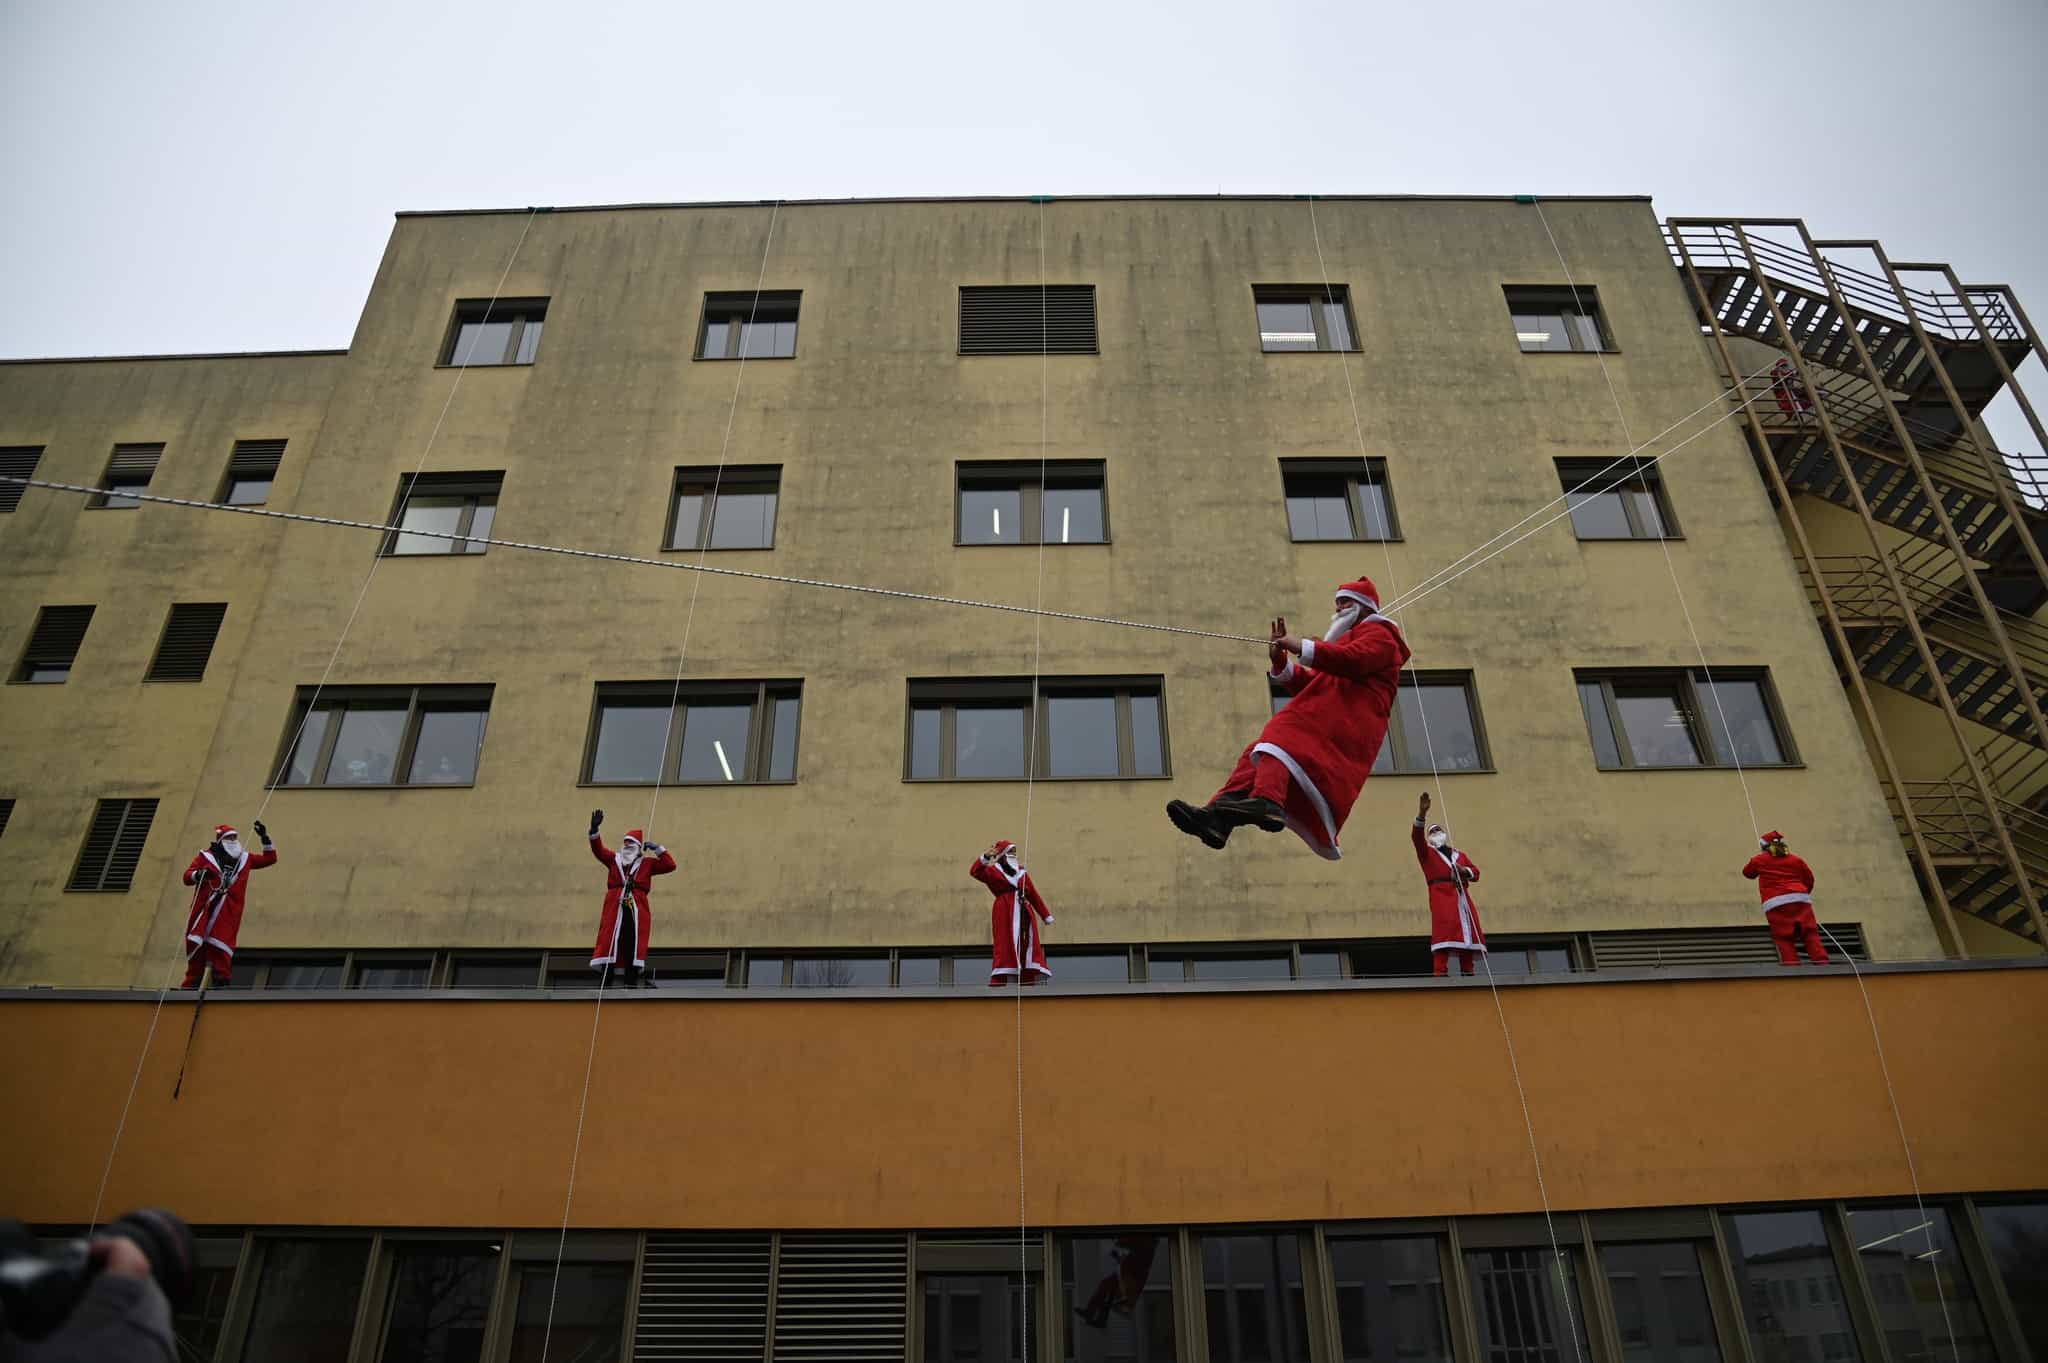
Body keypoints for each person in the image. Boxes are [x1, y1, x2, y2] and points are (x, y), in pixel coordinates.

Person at [1166, 576, 1410, 858]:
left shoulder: (1382, 637)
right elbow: (1313, 685)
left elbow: (1351, 660)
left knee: (1281, 735)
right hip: (1327, 718)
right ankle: (1216, 818)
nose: (1340, 607)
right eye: (1338, 601)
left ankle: (1269, 801)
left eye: (1347, 601)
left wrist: (1301, 646)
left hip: (1348, 724)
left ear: (1366, 606)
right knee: (1256, 753)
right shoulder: (1345, 643)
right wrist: (1280, 661)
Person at [179, 822, 276, 989]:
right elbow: (187, 877)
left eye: (235, 837)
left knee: (222, 945)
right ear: (221, 840)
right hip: (206, 909)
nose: (233, 840)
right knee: (198, 946)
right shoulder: (205, 857)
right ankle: (190, 985)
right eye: (229, 837)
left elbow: (270, 859)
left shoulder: (246, 859)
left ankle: (221, 982)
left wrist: (264, 837)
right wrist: (200, 874)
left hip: (228, 911)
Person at [587, 810, 676, 987]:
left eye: (631, 844)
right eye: (625, 843)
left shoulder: (647, 864)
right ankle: (606, 980)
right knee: (610, 940)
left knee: (632, 942)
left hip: (636, 908)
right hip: (615, 906)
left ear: (638, 847)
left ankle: (631, 981)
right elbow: (598, 851)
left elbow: (670, 865)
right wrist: (594, 829)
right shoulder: (614, 860)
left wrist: (658, 849)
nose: (627, 846)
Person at [1412, 792, 1485, 976]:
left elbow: (1475, 873)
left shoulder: (1459, 855)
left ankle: (1468, 971)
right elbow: (1416, 837)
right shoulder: (1427, 854)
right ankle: (1440, 972)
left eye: (1439, 831)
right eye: (1432, 832)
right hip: (1441, 896)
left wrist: (1463, 871)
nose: (1436, 834)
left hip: (1461, 896)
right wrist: (1422, 813)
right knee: (1444, 932)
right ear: (1429, 837)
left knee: (1467, 931)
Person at [972, 840, 1054, 986]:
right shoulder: (993, 871)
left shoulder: (1022, 873)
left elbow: (1034, 895)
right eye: (1010, 852)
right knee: (1004, 943)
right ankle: (1000, 978)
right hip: (1004, 911)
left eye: (1015, 852)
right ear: (1003, 855)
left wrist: (1045, 915)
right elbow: (975, 872)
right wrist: (986, 856)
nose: (1013, 855)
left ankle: (1026, 978)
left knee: (1025, 943)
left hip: (1023, 911)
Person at [1743, 830, 1828, 965]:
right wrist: (1803, 894)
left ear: (1764, 846)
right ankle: (1822, 963)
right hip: (1800, 899)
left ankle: (1792, 966)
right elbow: (1809, 879)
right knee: (1810, 933)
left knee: (1783, 937)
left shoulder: (1759, 860)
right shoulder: (1796, 859)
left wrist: (1759, 859)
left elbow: (1748, 873)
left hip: (1775, 903)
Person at [1074, 1234, 1160, 1329]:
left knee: (1107, 1289)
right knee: (1107, 1289)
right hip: (1126, 1276)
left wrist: (1118, 1241)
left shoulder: (1145, 1248)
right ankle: (1095, 1316)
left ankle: (1094, 1315)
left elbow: (1133, 1256)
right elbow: (1132, 1258)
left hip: (1129, 1278)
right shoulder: (1144, 1249)